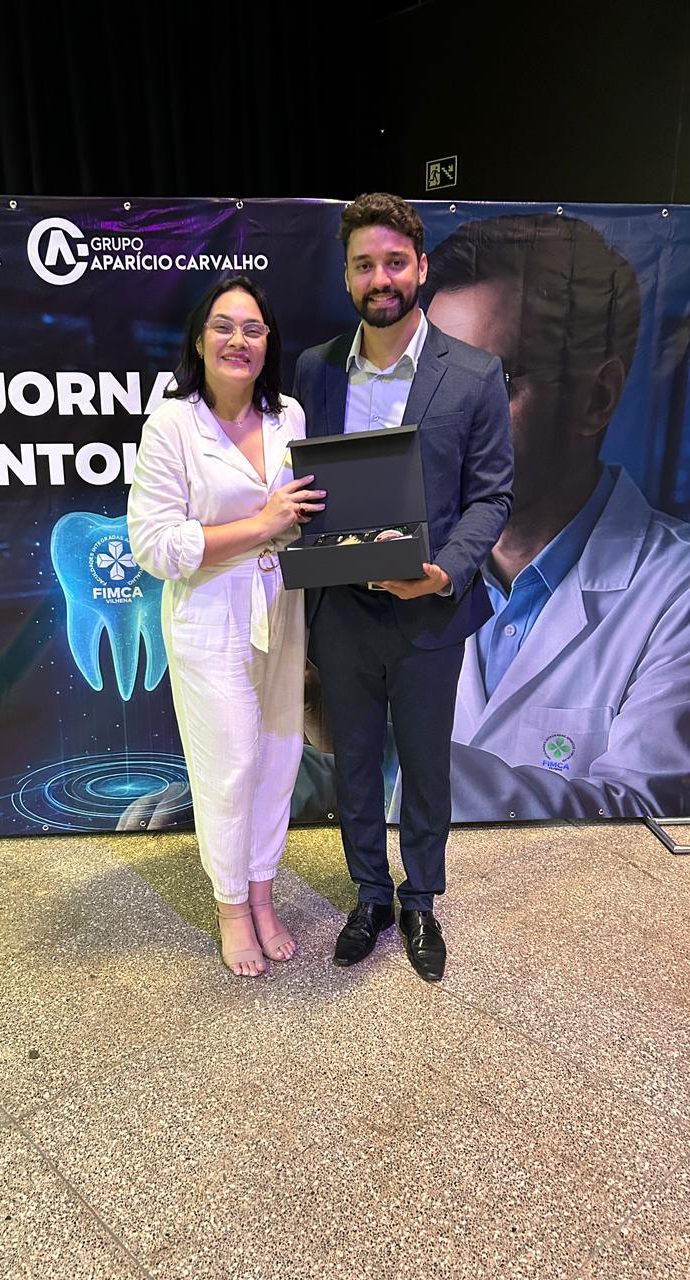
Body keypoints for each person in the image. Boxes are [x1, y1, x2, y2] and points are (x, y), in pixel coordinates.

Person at [389, 212, 690, 822]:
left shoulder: (676, 593)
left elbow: (647, 826)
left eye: (490, 382)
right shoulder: (405, 563)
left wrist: (385, 757)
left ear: (597, 398)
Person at [292, 193, 513, 982]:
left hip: (429, 610)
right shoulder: (314, 370)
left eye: (393, 262)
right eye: (364, 265)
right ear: (346, 275)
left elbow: (492, 496)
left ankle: (420, 899)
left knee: (423, 765)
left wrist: (444, 571)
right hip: (341, 609)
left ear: (420, 267)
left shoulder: (475, 374)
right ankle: (371, 896)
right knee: (352, 764)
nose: (379, 278)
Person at [128, 276, 325, 977]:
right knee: (230, 766)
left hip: (282, 607)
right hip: (209, 613)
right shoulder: (172, 424)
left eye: (253, 329)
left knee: (279, 756)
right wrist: (261, 525)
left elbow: (303, 514)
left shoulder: (290, 417)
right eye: (224, 326)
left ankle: (263, 894)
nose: (239, 340)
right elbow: (153, 547)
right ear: (199, 340)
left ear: (269, 343)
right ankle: (232, 908)